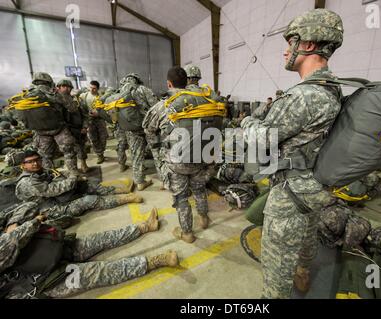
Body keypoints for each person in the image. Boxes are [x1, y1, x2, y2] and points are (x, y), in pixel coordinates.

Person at [240, 9, 344, 298]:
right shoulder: (332, 88)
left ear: (308, 45)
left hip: (290, 192)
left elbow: (261, 140)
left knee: (275, 268)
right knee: (308, 234)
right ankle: (303, 272)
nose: (286, 52)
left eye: (290, 43)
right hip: (315, 186)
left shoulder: (304, 96)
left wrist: (248, 122)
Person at [0, 205, 178, 299]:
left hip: (42, 253)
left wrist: (12, 224)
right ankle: (155, 261)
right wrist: (31, 224)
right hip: (36, 282)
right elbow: (11, 242)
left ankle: (145, 227)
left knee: (99, 239)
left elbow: (24, 208)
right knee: (100, 272)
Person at [144, 67, 223, 243]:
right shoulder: (205, 99)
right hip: (201, 158)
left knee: (181, 198)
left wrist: (158, 148)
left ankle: (187, 233)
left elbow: (148, 128)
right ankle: (204, 218)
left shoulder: (164, 105)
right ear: (187, 81)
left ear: (169, 83)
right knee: (199, 189)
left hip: (177, 161)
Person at [15, 150, 144, 225]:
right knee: (88, 200)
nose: (35, 163)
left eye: (37, 160)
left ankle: (118, 190)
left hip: (59, 199)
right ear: (23, 165)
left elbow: (58, 174)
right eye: (30, 162)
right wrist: (72, 178)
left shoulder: (40, 171)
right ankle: (125, 199)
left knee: (85, 185)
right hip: (48, 210)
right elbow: (52, 190)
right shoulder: (27, 182)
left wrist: (72, 177)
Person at [9, 72, 79, 175]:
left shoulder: (24, 96)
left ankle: (48, 176)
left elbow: (16, 117)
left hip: (41, 132)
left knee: (45, 157)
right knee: (69, 153)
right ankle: (74, 175)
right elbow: (73, 108)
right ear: (49, 82)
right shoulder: (54, 94)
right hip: (59, 129)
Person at [56, 79, 90, 174]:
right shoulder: (55, 101)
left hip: (78, 129)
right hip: (64, 130)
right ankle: (73, 172)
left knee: (81, 147)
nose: (67, 89)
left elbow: (85, 115)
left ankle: (83, 164)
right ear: (58, 87)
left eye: (69, 87)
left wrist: (84, 127)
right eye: (64, 86)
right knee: (69, 152)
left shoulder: (77, 100)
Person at [80, 81, 108, 164]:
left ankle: (101, 151)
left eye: (94, 88)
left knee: (103, 137)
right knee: (93, 138)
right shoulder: (84, 96)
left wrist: (99, 113)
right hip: (89, 121)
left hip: (100, 120)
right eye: (90, 87)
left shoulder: (102, 97)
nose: (92, 89)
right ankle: (99, 154)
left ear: (97, 89)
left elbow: (107, 109)